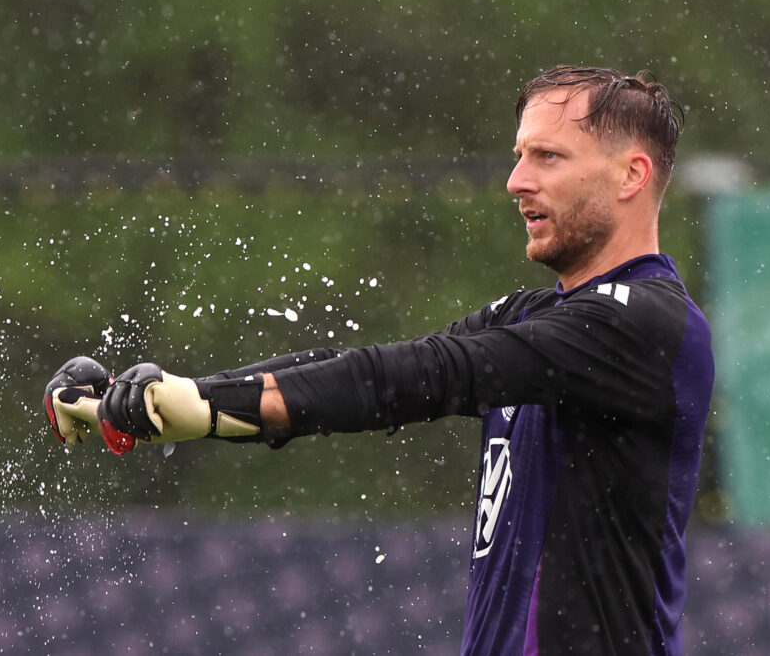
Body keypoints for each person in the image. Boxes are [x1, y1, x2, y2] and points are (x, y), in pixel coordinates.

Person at [44, 64, 714, 655]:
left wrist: (205, 408)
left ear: (631, 174)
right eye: (519, 155)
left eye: (548, 157)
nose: (516, 180)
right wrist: (176, 398)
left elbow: (427, 377)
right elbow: (388, 366)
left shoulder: (642, 321)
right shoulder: (536, 315)